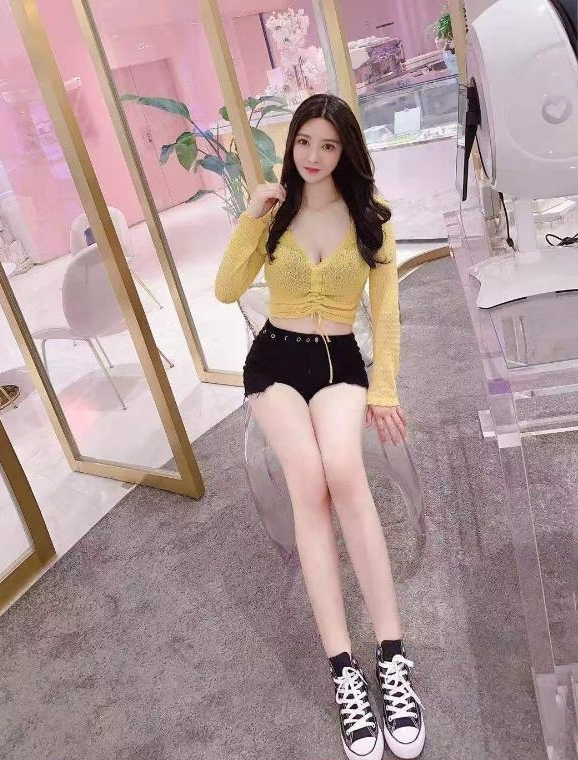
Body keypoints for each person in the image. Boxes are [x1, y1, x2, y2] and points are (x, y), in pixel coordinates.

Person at [214, 93, 425, 760]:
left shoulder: (371, 217)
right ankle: (342, 669)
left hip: (338, 360)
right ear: (292, 144)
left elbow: (385, 312)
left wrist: (384, 388)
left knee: (343, 471)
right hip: (274, 361)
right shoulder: (275, 211)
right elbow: (226, 289)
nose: (313, 155)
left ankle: (391, 655)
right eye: (304, 141)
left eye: (328, 145)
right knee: (307, 480)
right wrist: (250, 217)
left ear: (345, 151)